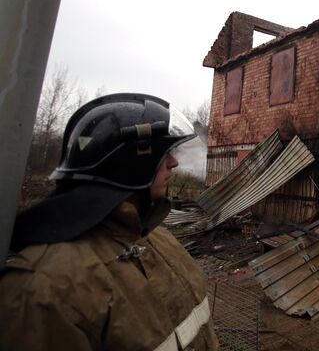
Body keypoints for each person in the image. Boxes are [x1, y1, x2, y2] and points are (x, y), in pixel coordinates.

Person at [0, 94, 219, 350]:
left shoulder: (160, 240)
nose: (173, 162)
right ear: (130, 164)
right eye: (164, 153)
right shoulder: (41, 289)